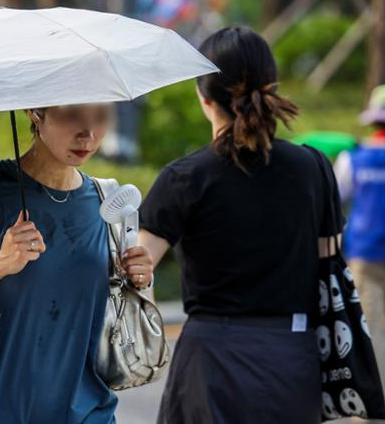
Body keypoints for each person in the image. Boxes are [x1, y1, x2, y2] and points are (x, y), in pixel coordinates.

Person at [137, 27, 344, 424]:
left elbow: (138, 268)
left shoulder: (184, 176)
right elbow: (328, 266)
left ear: (204, 98)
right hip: (292, 355)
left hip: (210, 360)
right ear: (272, 87)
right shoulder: (313, 168)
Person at [0, 104, 155, 423]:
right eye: (72, 115)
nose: (89, 133)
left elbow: (106, 311)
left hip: (89, 412)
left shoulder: (105, 199)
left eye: (100, 117)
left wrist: (137, 277)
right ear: (34, 112)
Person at [334, 84, 385, 388]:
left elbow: (335, 198)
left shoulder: (354, 157)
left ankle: (371, 405)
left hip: (364, 254)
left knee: (369, 329)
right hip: (365, 253)